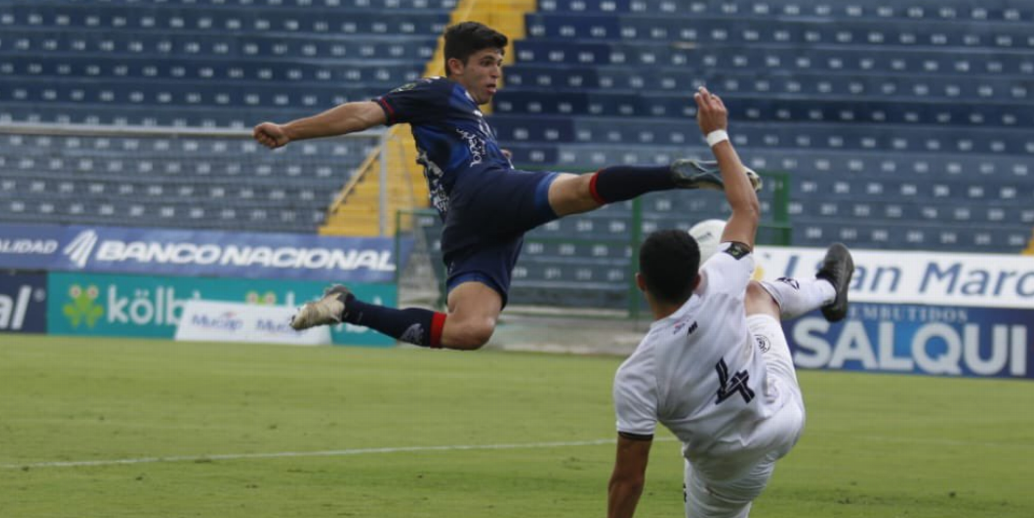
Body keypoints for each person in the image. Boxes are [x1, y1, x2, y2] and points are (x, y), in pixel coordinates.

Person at [254, 21, 759, 350]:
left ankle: (347, 305)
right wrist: (290, 130)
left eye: (499, 65)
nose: (496, 74)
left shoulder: (468, 118)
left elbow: (450, 149)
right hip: (482, 197)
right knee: (581, 190)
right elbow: (363, 112)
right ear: (457, 66)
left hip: (475, 219)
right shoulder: (436, 90)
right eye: (487, 64)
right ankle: (680, 173)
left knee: (469, 331)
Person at [570, 87, 889, 518]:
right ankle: (829, 286)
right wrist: (716, 132)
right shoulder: (722, 281)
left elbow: (629, 478)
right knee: (759, 296)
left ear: (640, 285)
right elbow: (747, 208)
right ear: (697, 275)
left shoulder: (636, 373)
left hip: (731, 463)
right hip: (783, 414)